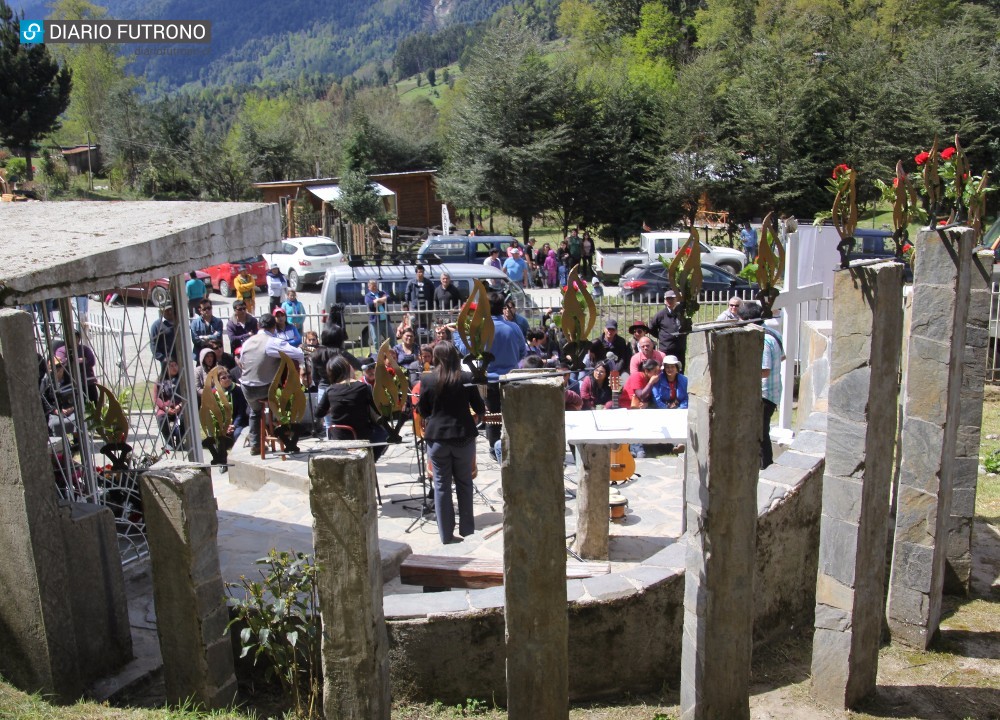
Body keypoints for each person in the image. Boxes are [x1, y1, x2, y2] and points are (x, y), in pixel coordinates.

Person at [417, 341, 485, 545]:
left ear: (436, 357)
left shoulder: (427, 380)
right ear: (456, 357)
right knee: (464, 483)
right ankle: (467, 529)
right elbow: (479, 407)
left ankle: (446, 534)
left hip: (437, 438)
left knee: (441, 487)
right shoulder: (466, 377)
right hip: (463, 436)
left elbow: (423, 410)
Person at [239, 313, 305, 449]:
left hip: (246, 388)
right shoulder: (272, 342)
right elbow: (298, 354)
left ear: (258, 326)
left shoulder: (247, 342)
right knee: (286, 403)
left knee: (255, 412)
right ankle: (286, 437)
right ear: (274, 327)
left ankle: (256, 445)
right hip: (265, 388)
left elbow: (242, 362)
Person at [739, 301, 782, 469]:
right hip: (774, 390)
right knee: (762, 429)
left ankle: (765, 465)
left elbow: (764, 370)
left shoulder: (762, 339)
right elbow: (782, 357)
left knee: (761, 432)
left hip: (764, 393)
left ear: (749, 320)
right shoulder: (774, 333)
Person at [316, 356, 385, 459]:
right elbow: (377, 411)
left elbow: (318, 413)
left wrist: (332, 408)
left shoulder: (329, 391)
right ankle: (371, 459)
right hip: (361, 436)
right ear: (347, 368)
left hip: (338, 436)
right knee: (384, 433)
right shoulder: (364, 387)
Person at [54, 330, 98, 402]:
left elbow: (91, 361)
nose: (73, 340)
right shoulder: (61, 350)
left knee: (94, 402)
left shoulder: (84, 349)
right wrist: (81, 359)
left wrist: (74, 360)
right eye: (71, 338)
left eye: (75, 338)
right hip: (70, 382)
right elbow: (61, 362)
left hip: (87, 381)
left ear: (79, 339)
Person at [40, 357, 76, 437]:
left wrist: (72, 407)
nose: (54, 370)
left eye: (58, 367)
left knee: (78, 420)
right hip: (54, 412)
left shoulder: (69, 378)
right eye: (51, 368)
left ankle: (78, 443)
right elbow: (44, 399)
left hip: (70, 409)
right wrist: (55, 410)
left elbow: (76, 394)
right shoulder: (46, 381)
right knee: (55, 424)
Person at [649, 290, 686, 367]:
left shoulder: (681, 313)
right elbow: (651, 328)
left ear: (676, 300)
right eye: (667, 299)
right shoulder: (660, 315)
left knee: (679, 369)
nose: (669, 301)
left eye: (672, 299)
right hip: (666, 348)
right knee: (667, 369)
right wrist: (662, 336)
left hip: (680, 348)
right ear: (665, 301)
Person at [155, 360, 186, 449]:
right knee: (161, 419)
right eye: (171, 365)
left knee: (184, 419)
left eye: (175, 365)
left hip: (180, 407)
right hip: (165, 409)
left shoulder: (182, 379)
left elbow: (187, 394)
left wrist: (179, 406)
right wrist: (166, 408)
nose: (174, 368)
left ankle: (180, 441)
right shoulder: (160, 380)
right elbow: (156, 397)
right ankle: (170, 442)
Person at [405, 265, 436, 334]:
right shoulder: (411, 283)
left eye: (422, 272)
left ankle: (426, 341)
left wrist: (432, 306)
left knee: (426, 328)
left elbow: (433, 295)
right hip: (415, 309)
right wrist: (408, 308)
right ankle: (416, 341)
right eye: (419, 272)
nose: (420, 273)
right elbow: (407, 295)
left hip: (427, 309)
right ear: (416, 273)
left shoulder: (429, 283)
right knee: (416, 327)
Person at [149, 303, 177, 374]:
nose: (170, 312)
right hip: (166, 361)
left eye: (171, 309)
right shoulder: (157, 325)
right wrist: (162, 358)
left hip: (179, 358)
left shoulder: (178, 322)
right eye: (167, 310)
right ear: (162, 311)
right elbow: (153, 344)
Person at [364, 280, 391, 349]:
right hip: (375, 322)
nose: (375, 287)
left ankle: (396, 353)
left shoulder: (382, 292)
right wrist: (382, 300)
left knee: (391, 338)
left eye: (376, 285)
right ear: (369, 287)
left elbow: (387, 298)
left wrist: (377, 300)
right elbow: (372, 305)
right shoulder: (367, 296)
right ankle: (378, 356)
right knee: (376, 341)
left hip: (385, 320)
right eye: (373, 286)